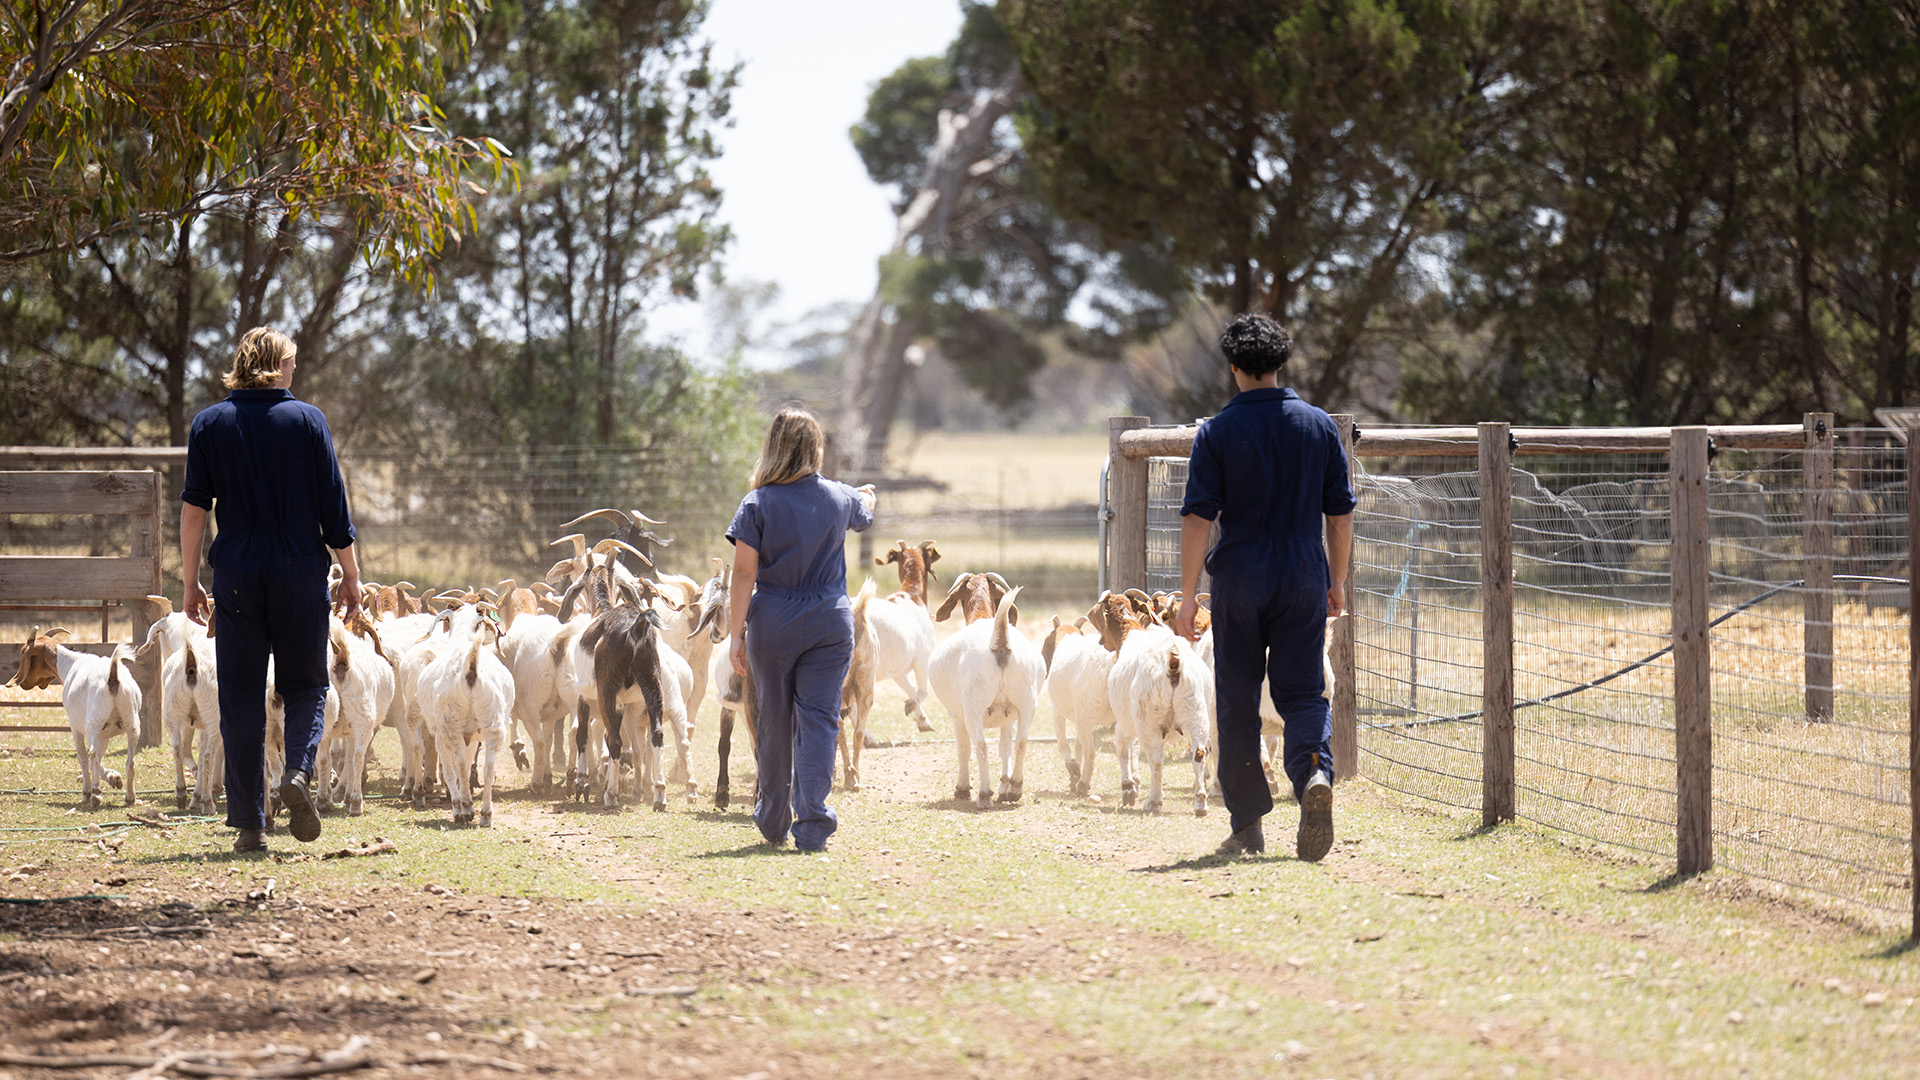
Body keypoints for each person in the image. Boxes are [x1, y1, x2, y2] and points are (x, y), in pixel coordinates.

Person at [1173, 313, 1355, 862]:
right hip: (1303, 570)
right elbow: (1341, 514)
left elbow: (1196, 520)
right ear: (1281, 364)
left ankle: (1248, 824)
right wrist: (1337, 580)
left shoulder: (1217, 432)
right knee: (1303, 692)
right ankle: (1314, 775)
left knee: (1236, 696)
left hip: (1241, 576)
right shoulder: (1319, 426)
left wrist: (1186, 595)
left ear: (1234, 367)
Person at [179, 327, 362, 854]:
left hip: (237, 578)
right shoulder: (308, 421)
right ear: (276, 364)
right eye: (292, 363)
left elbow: (195, 511)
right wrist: (349, 573)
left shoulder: (210, 424)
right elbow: (334, 511)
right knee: (306, 687)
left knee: (239, 698)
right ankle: (299, 774)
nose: (295, 371)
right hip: (300, 574)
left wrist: (191, 582)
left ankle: (250, 826)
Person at [724, 408, 875, 852]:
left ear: (773, 447)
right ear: (815, 448)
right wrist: (869, 496)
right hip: (830, 620)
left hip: (773, 622)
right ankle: (812, 826)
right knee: (820, 720)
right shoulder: (839, 496)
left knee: (773, 719)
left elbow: (743, 573)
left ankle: (772, 820)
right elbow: (864, 510)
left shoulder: (757, 503)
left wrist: (736, 633)